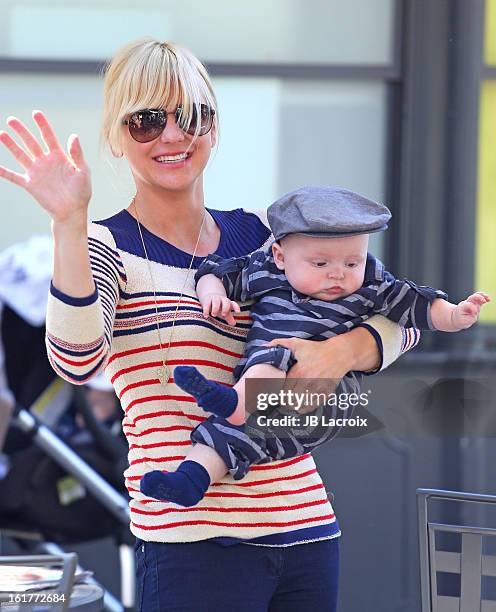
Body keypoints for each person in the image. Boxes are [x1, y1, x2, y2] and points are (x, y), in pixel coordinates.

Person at [0, 37, 421, 612]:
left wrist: (343, 353)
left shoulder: (263, 236)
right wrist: (68, 225)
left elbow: (405, 317)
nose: (172, 136)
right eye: (146, 120)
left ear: (213, 127)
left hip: (308, 530)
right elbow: (75, 361)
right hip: (192, 544)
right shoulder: (105, 246)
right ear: (117, 138)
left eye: (190, 116)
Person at [144, 185, 490, 507]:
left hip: (327, 398)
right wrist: (214, 296)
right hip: (269, 396)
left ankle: (236, 401)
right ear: (279, 257)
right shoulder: (266, 272)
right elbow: (215, 273)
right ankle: (189, 481)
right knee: (235, 434)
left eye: (351, 262)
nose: (338, 274)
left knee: (275, 352)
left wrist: (455, 315)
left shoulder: (371, 285)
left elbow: (414, 307)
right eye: (321, 264)